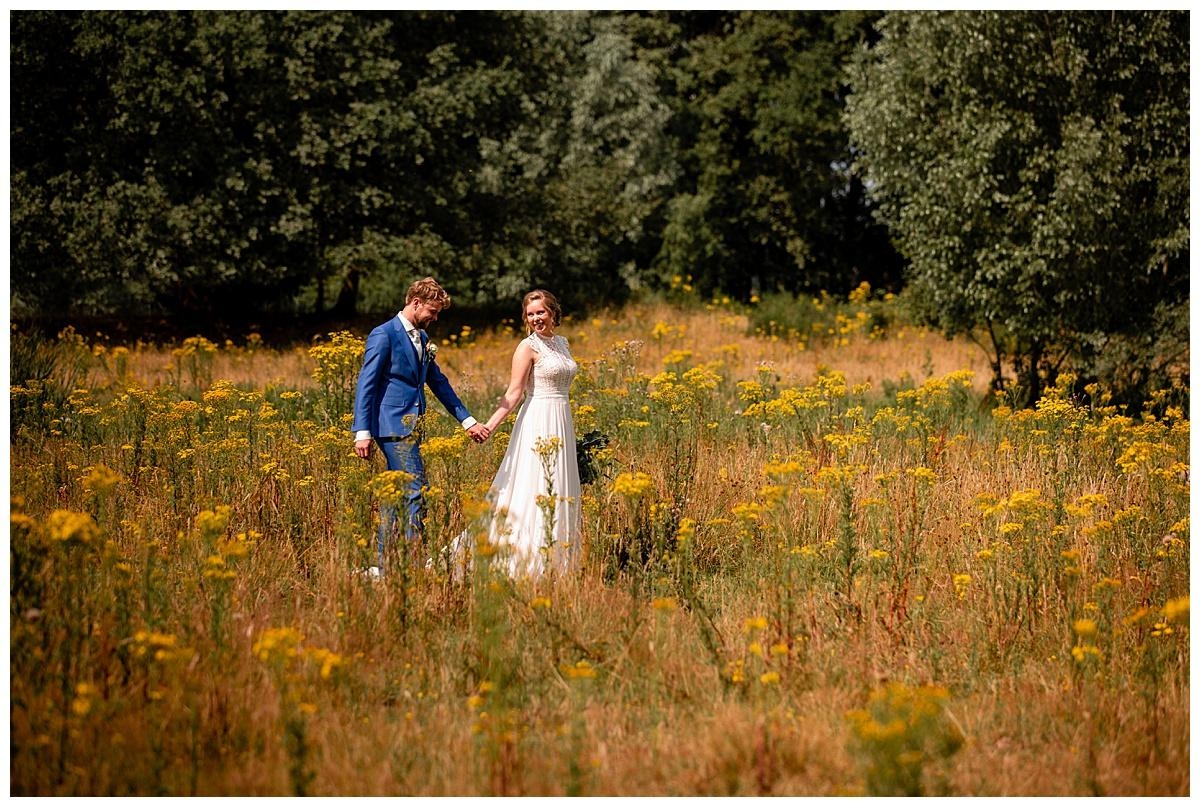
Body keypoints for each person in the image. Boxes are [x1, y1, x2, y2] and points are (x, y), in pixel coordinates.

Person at [352, 277, 490, 575]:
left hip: (412, 425)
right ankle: (413, 562)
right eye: (433, 311)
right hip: (391, 426)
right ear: (415, 303)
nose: (435, 318)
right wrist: (361, 432)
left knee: (396, 493)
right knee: (417, 490)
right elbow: (367, 384)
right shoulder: (384, 334)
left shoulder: (423, 340)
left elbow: (438, 383)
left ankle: (380, 565)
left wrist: (467, 420)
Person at [474, 289, 582, 576]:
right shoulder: (527, 347)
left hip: (562, 418)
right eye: (531, 314)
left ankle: (559, 561)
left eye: (541, 312)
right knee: (536, 485)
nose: (536, 318)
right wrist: (490, 426)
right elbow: (515, 392)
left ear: (553, 313)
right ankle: (530, 560)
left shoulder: (562, 343)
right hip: (538, 419)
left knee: (560, 485)